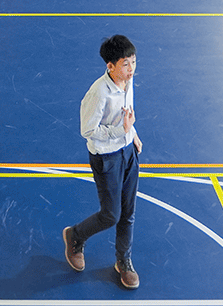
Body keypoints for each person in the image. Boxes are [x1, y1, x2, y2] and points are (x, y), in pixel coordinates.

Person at [62, 34, 142, 290]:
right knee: (111, 215)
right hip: (106, 157)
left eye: (133, 62)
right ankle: (75, 236)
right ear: (110, 66)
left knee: (128, 213)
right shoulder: (98, 93)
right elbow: (87, 130)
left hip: (128, 151)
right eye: (125, 64)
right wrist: (121, 131)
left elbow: (126, 112)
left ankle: (123, 261)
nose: (131, 69)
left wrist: (132, 134)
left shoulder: (128, 81)